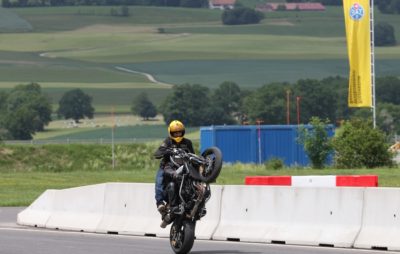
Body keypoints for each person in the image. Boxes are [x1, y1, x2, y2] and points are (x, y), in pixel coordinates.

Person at [154, 120, 194, 228]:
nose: (177, 134)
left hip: (183, 168)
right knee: (159, 181)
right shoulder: (167, 142)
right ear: (171, 133)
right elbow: (157, 153)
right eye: (175, 133)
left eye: (179, 132)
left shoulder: (188, 143)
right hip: (167, 167)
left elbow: (193, 155)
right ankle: (160, 204)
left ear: (183, 132)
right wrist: (166, 151)